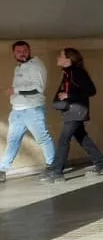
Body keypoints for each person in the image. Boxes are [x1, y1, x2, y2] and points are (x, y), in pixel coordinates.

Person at [46, 48, 103, 181]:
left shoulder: (77, 72)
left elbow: (91, 91)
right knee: (82, 138)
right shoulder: (68, 73)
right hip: (72, 111)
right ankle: (101, 164)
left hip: (76, 111)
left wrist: (69, 95)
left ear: (68, 59)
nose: (57, 58)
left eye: (60, 56)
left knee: (64, 140)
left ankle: (57, 172)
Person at [2, 40, 55, 179]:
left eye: (25, 50)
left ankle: (52, 166)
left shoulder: (36, 66)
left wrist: (15, 90)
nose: (22, 54)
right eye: (18, 51)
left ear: (30, 50)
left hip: (32, 110)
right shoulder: (19, 67)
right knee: (13, 141)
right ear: (14, 53)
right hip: (17, 111)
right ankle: (2, 170)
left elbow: (38, 89)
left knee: (42, 139)